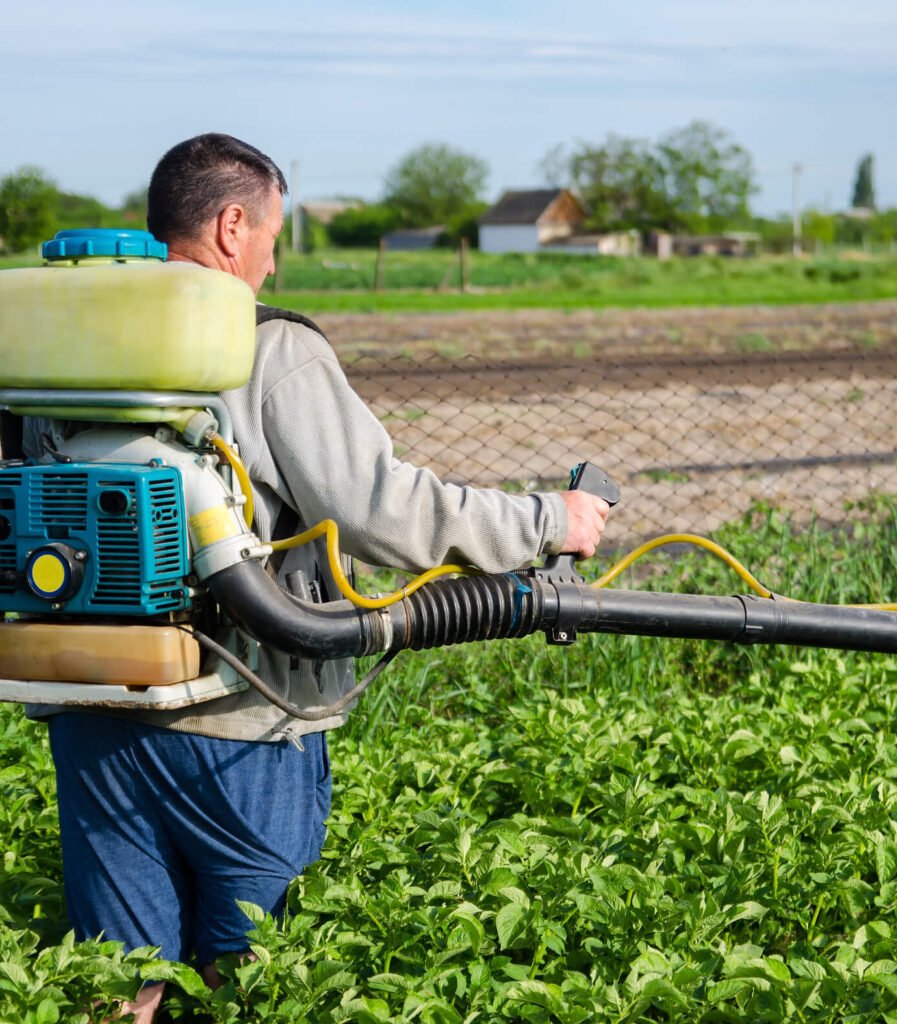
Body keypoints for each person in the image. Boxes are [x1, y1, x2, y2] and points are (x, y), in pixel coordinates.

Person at [40, 133, 609, 1022]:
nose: (272, 260)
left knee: (122, 986)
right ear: (233, 226)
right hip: (240, 715)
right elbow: (381, 509)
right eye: (271, 235)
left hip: (88, 709)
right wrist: (549, 520)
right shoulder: (263, 348)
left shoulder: (57, 340)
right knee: (253, 975)